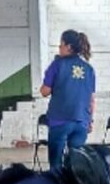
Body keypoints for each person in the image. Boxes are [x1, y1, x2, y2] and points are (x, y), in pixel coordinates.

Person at [40, 30, 96, 169]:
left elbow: (45, 91)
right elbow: (91, 99)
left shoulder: (57, 65)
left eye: (61, 44)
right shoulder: (89, 69)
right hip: (81, 121)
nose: (59, 48)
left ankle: (57, 182)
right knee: (76, 163)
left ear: (69, 47)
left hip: (60, 119)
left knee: (56, 164)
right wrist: (90, 121)